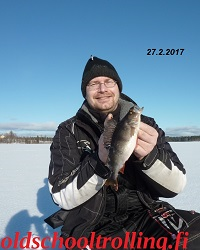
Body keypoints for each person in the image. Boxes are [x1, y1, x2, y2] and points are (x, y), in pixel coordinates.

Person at [45, 56, 200, 250]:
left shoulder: (146, 124)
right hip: (91, 228)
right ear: (85, 92)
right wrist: (99, 162)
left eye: (109, 82)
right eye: (94, 83)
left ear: (118, 87)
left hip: (146, 215)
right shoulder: (69, 130)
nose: (102, 89)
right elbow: (61, 196)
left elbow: (176, 186)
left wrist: (149, 157)